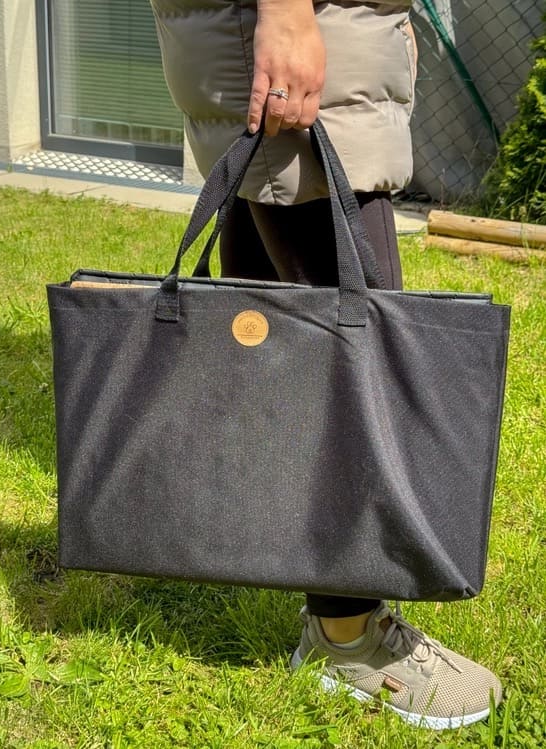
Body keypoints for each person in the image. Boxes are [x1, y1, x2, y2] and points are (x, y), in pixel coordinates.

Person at [150, 0, 502, 730]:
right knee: (354, 354)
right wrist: (285, 15)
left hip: (280, 29)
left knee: (277, 280)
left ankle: (318, 598)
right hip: (303, 27)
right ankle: (350, 638)